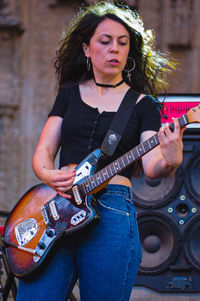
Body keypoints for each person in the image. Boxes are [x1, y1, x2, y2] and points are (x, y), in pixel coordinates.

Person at [17, 1, 185, 300]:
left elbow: (152, 166)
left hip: (111, 210)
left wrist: (170, 159)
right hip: (58, 208)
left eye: (123, 43)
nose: (115, 50)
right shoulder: (69, 94)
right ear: (86, 49)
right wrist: (49, 174)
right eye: (105, 42)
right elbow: (44, 150)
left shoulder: (143, 105)